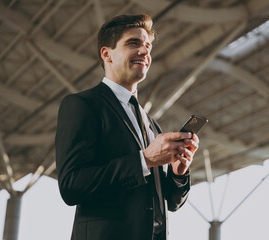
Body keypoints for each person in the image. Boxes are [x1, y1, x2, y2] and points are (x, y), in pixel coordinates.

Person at [55, 14, 199, 240]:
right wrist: (145, 160)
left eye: (148, 46)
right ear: (107, 54)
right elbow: (72, 186)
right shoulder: (82, 105)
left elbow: (171, 203)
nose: (145, 52)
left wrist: (178, 173)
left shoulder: (152, 124)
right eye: (134, 43)